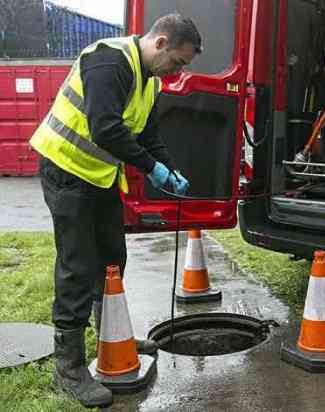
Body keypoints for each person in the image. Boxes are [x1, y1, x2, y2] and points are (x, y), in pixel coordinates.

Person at [30, 13, 202, 408]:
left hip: (100, 177)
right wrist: (149, 167)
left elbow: (148, 135)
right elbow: (105, 127)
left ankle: (112, 334)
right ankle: (69, 367)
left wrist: (168, 168)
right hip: (65, 168)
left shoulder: (151, 82)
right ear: (160, 43)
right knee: (78, 264)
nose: (177, 73)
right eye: (177, 61)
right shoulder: (108, 61)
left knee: (112, 257)